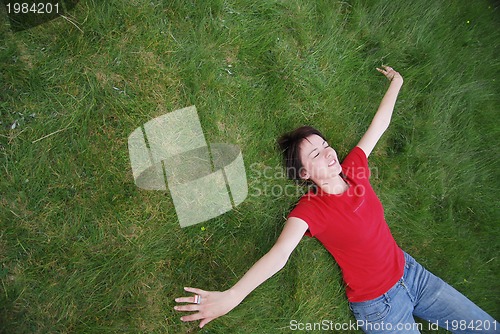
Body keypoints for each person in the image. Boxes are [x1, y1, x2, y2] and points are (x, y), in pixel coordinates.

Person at [174, 66, 498, 333]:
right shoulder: (311, 210)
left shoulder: (354, 169)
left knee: (485, 327)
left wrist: (397, 83)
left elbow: (379, 126)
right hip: (381, 307)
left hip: (412, 273)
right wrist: (233, 295)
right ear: (304, 175)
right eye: (315, 153)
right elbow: (280, 255)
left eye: (325, 144)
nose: (328, 151)